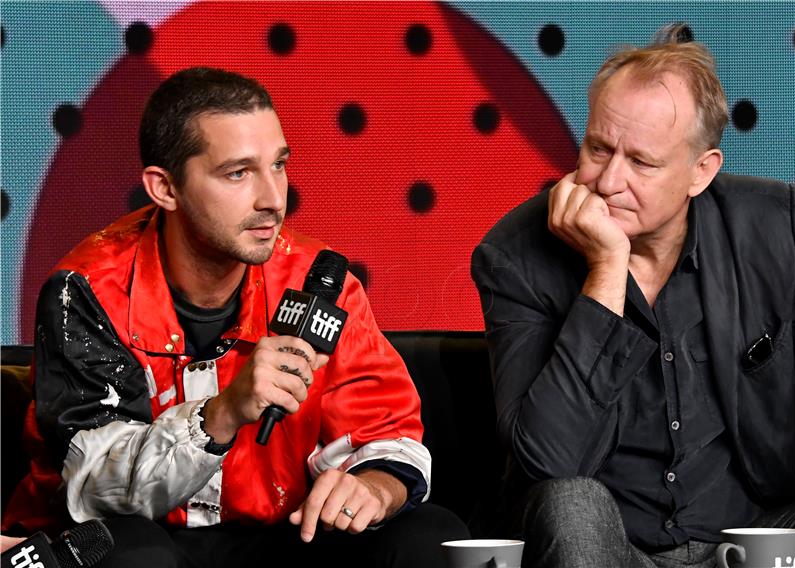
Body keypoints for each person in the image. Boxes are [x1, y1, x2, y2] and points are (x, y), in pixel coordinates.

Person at [3, 67, 468, 567]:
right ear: (165, 189)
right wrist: (221, 414)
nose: (273, 198)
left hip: (276, 535)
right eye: (238, 173)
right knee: (136, 555)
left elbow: (386, 430)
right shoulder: (88, 290)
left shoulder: (316, 282)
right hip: (140, 540)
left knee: (432, 533)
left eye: (279, 165)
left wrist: (374, 488)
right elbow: (95, 487)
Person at [471, 24, 795, 568]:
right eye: (598, 148)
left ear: (702, 172)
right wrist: (605, 270)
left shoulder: (778, 226)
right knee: (572, 503)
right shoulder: (516, 257)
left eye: (642, 163)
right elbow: (543, 465)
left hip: (753, 536)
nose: (607, 181)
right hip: (613, 548)